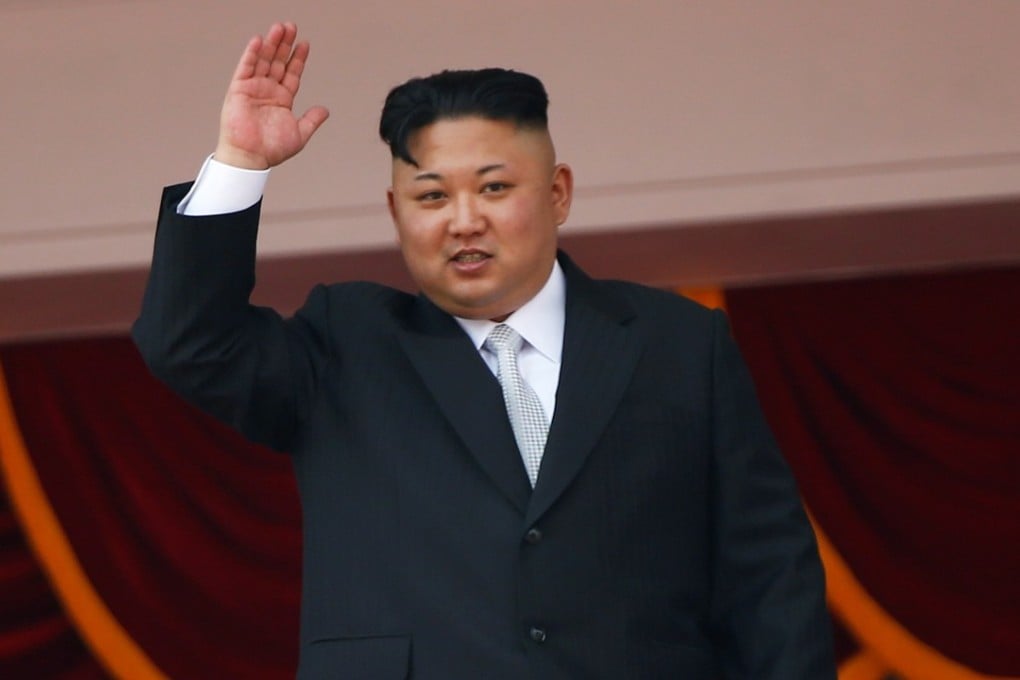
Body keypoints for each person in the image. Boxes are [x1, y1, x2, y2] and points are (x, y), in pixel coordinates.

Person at [133, 21, 835, 680]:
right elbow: (189, 343)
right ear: (395, 212)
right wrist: (240, 163)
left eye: (494, 188)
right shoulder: (345, 343)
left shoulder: (677, 343)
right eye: (431, 196)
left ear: (558, 193)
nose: (464, 221)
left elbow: (770, 576)